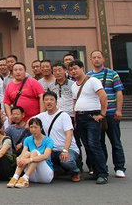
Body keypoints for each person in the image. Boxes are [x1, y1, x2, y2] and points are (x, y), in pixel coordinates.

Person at [87, 49, 126, 178]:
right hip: (96, 115)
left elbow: (118, 92)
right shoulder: (88, 76)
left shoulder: (112, 74)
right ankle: (103, 167)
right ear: (91, 60)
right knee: (99, 143)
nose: (96, 59)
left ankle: (119, 167)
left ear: (103, 59)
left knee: (115, 142)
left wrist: (118, 110)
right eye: (94, 57)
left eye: (99, 57)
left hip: (111, 113)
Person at [70, 60, 109, 184]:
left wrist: (102, 114)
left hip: (92, 116)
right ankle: (96, 171)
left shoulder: (93, 81)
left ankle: (103, 173)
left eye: (75, 68)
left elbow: (103, 96)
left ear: (82, 68)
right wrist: (75, 119)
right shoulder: (74, 85)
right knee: (87, 146)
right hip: (80, 117)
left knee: (94, 145)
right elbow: (75, 102)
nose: (73, 71)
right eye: (71, 69)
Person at [36, 91, 82, 182]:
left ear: (56, 102)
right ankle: (58, 169)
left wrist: (65, 150)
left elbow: (69, 134)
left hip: (68, 149)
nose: (49, 102)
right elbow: (29, 123)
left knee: (66, 161)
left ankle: (75, 171)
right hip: (52, 149)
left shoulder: (64, 116)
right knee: (40, 157)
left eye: (51, 100)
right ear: (43, 102)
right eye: (46, 100)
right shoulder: (41, 116)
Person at [7, 117, 54, 188]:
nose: (33, 130)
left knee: (34, 152)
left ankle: (25, 178)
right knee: (26, 153)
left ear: (41, 128)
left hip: (45, 175)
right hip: (32, 175)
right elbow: (23, 153)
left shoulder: (48, 140)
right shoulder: (27, 139)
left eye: (36, 127)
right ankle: (15, 177)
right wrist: (18, 158)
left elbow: (46, 156)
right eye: (31, 127)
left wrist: (30, 159)